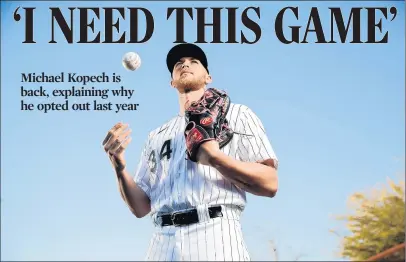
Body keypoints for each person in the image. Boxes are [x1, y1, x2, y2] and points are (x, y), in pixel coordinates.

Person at [102, 43, 279, 261]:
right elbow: (140, 207)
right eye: (178, 63)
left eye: (194, 61)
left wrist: (215, 159)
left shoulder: (237, 114)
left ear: (208, 77)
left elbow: (270, 183)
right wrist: (119, 168)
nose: (185, 63)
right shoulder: (156, 135)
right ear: (172, 82)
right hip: (162, 242)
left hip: (215, 235)